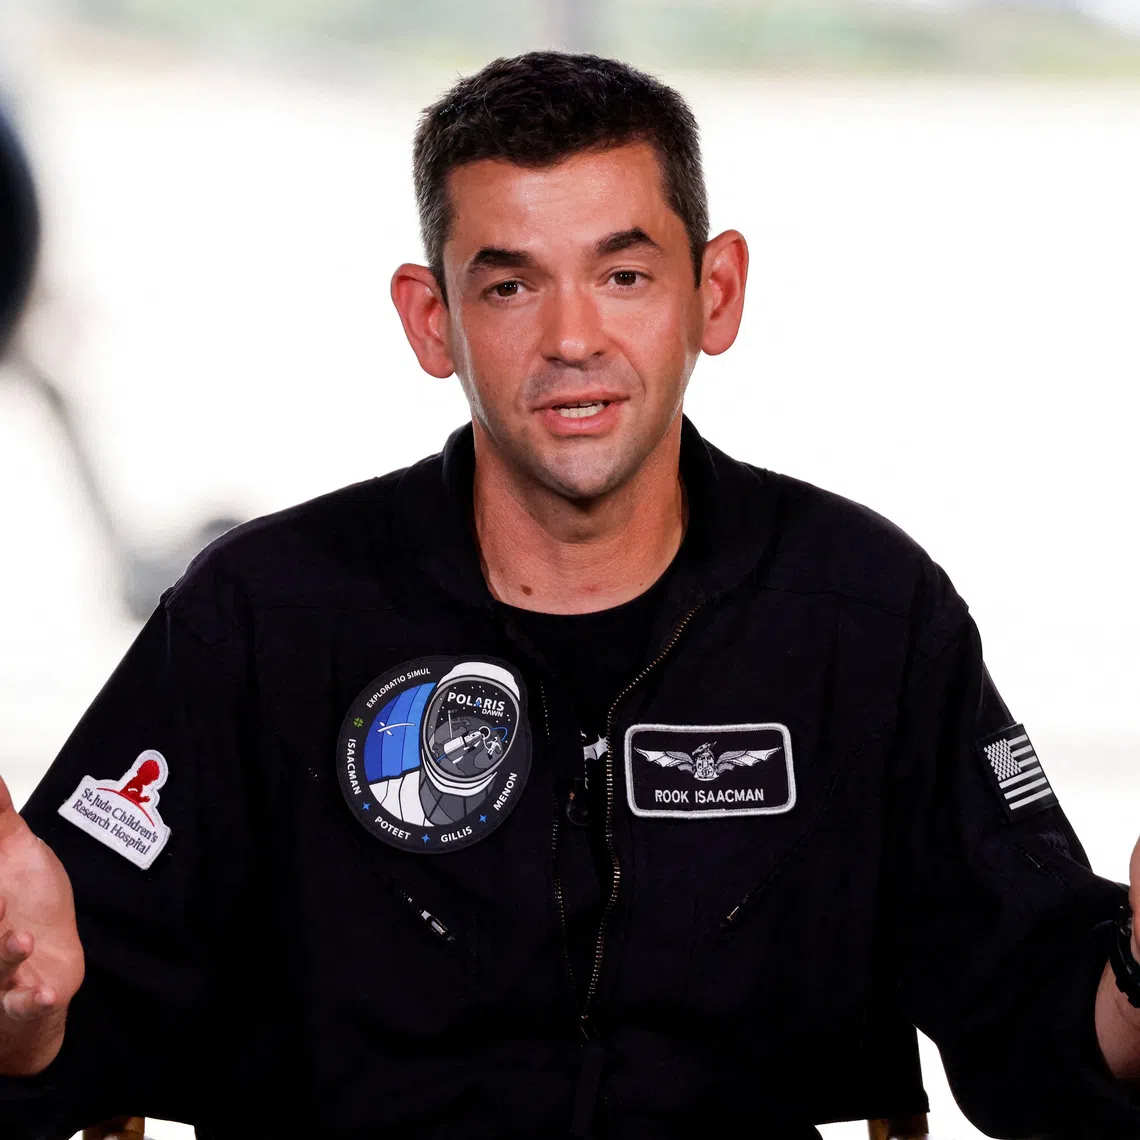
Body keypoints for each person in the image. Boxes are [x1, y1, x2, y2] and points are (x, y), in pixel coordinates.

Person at [1, 50, 1139, 1139]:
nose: (573, 339)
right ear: (432, 319)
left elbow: (1039, 1018)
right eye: (510, 286)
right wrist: (26, 1018)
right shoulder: (266, 617)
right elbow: (59, 1003)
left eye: (624, 275)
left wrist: (1138, 973)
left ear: (716, 292)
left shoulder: (859, 613)